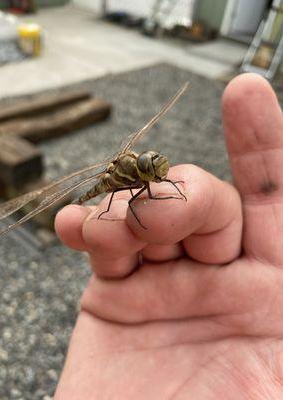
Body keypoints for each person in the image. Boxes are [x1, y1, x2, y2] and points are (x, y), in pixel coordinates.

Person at [54, 73, 283, 399]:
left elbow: (160, 183)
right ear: (140, 171)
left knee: (159, 205)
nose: (158, 173)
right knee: (119, 210)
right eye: (153, 169)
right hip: (105, 195)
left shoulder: (149, 171)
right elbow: (133, 201)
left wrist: (175, 187)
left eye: (156, 168)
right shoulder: (127, 179)